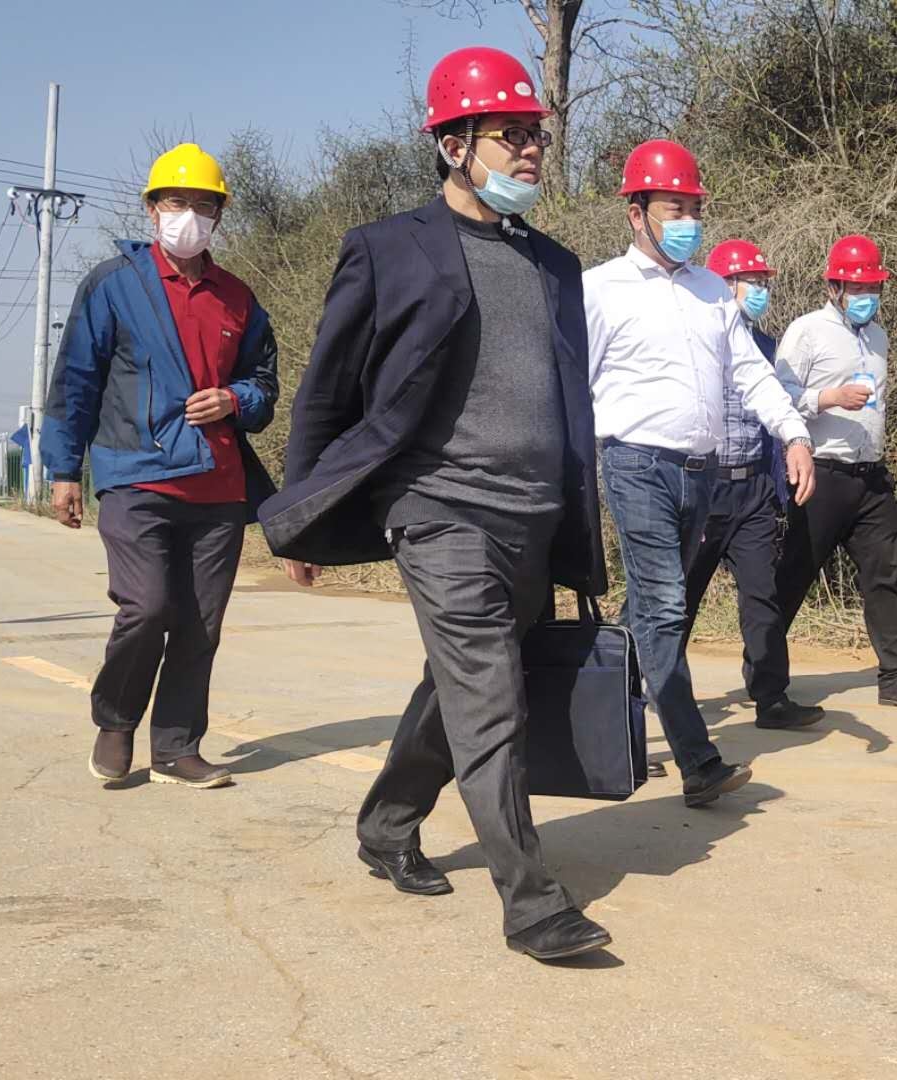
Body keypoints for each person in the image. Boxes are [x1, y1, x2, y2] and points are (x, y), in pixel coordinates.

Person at [256, 47, 612, 962]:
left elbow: (569, 401)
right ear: (454, 144)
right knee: (491, 695)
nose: (530, 150)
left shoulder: (555, 265)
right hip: (437, 506)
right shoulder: (387, 248)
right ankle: (531, 904)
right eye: (510, 134)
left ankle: (386, 823)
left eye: (536, 135)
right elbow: (328, 390)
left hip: (533, 513)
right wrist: (302, 509)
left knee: (459, 684)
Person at [42, 142, 279, 791]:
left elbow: (264, 383)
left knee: (200, 624)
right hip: (136, 476)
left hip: (218, 486)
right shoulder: (114, 285)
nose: (189, 216)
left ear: (219, 215)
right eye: (177, 202)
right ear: (152, 210)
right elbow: (77, 380)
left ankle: (177, 748)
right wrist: (64, 470)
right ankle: (116, 719)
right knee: (146, 608)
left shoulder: (238, 298)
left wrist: (236, 399)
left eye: (204, 204)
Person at [585, 139, 816, 804]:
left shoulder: (713, 292)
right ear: (636, 213)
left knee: (647, 610)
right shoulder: (599, 290)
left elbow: (752, 374)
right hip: (635, 465)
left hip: (702, 473)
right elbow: (571, 384)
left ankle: (592, 713)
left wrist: (794, 434)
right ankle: (697, 760)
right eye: (674, 208)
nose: (688, 220)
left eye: (694, 208)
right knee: (665, 606)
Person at [758, 234, 897, 715]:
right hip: (821, 473)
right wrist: (828, 398)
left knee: (884, 574)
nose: (867, 297)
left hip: (870, 475)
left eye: (873, 288)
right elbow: (776, 393)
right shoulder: (807, 331)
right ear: (834, 287)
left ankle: (896, 677)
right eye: (857, 288)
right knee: (793, 576)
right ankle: (765, 681)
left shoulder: (878, 336)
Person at [683, 239, 823, 728]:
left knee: (763, 595)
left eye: (764, 282)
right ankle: (645, 690)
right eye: (753, 282)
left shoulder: (764, 346)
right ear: (725, 284)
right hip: (704, 488)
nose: (762, 290)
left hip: (753, 491)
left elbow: (774, 410)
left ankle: (771, 697)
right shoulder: (693, 340)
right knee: (678, 597)